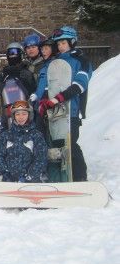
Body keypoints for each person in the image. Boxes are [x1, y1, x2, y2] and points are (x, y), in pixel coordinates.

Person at [38, 26, 92, 182]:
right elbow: (49, 86)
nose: (60, 46)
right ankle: (62, 177)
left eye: (63, 43)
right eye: (58, 43)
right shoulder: (55, 62)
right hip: (55, 112)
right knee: (57, 144)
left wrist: (58, 98)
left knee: (71, 144)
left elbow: (80, 85)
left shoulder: (81, 60)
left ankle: (80, 178)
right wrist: (43, 101)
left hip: (72, 110)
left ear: (72, 42)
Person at [0, 101, 47, 183]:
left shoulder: (36, 135)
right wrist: (6, 173)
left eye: (24, 114)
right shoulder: (6, 135)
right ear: (14, 116)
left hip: (31, 183)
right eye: (17, 114)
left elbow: (41, 158)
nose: (21, 117)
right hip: (9, 183)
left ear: (29, 115)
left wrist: (30, 175)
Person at [0, 42, 36, 130]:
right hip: (7, 110)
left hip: (24, 111)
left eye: (15, 52)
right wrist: (2, 80)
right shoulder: (3, 74)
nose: (13, 55)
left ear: (21, 54)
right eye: (10, 53)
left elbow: (32, 89)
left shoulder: (26, 72)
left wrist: (21, 77)